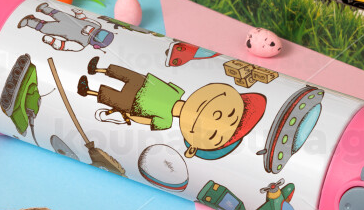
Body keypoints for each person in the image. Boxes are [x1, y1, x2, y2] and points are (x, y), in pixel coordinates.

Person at [78, 57, 266, 159]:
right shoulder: (178, 92)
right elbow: (166, 81)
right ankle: (98, 69)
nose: (215, 116)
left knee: (113, 98)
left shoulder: (166, 121)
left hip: (134, 104)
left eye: (213, 134)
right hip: (146, 83)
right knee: (125, 74)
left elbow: (145, 120)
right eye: (230, 113)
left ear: (192, 148)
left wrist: (130, 115)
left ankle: (89, 90)